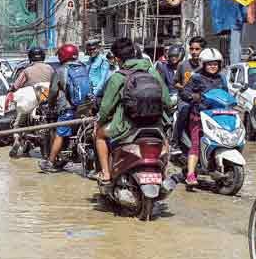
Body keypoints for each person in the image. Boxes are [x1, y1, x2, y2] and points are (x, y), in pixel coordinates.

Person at [94, 38, 171, 187]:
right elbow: (167, 101)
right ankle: (164, 172)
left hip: (126, 126)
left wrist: (99, 122)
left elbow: (105, 108)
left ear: (117, 59)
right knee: (165, 142)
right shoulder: (152, 72)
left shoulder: (118, 77)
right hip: (156, 125)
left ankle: (106, 173)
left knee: (99, 135)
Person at [181, 48, 229, 186]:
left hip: (218, 115)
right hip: (199, 115)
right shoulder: (195, 77)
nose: (213, 66)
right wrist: (193, 97)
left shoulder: (221, 78)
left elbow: (226, 94)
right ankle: (190, 174)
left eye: (215, 64)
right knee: (196, 144)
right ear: (203, 64)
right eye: (209, 64)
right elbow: (184, 92)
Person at [40, 44, 91, 173]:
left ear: (62, 56)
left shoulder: (60, 70)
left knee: (60, 134)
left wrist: (50, 105)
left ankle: (50, 162)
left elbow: (53, 91)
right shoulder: (84, 67)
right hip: (85, 107)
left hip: (68, 108)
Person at [9, 47, 55, 157]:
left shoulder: (27, 70)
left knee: (18, 123)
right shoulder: (50, 68)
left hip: (34, 100)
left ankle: (17, 139)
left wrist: (12, 89)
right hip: (49, 99)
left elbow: (16, 85)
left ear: (30, 57)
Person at [171, 36, 206, 150]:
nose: (194, 52)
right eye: (192, 49)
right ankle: (175, 141)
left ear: (203, 50)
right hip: (185, 99)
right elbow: (175, 82)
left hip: (203, 99)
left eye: (197, 49)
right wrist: (182, 87)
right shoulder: (183, 65)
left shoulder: (208, 66)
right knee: (185, 111)